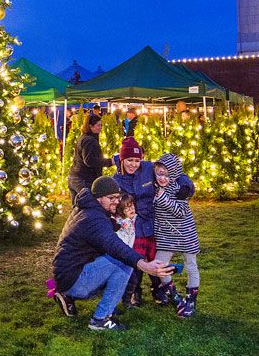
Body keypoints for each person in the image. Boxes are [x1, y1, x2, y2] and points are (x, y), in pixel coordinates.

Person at [51, 176, 174, 331]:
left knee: (118, 261)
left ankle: (68, 296)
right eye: (111, 198)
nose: (117, 201)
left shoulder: (86, 207)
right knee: (124, 262)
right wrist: (143, 264)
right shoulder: (93, 218)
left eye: (117, 196)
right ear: (98, 197)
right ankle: (100, 319)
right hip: (74, 279)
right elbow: (113, 245)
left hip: (67, 275)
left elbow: (105, 231)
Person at [112, 136, 194, 306]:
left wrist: (186, 185)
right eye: (129, 160)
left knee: (156, 257)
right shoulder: (116, 180)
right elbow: (110, 202)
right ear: (122, 159)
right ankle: (134, 291)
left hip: (154, 223)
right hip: (132, 228)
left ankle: (159, 289)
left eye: (136, 160)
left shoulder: (149, 168)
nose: (133, 164)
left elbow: (175, 171)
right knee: (136, 259)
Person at [153, 154, 201, 318]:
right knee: (160, 266)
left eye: (167, 174)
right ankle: (175, 297)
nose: (163, 178)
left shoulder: (181, 189)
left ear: (174, 174)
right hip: (166, 235)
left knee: (191, 265)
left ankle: (191, 301)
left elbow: (181, 211)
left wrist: (162, 198)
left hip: (185, 233)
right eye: (159, 173)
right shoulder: (154, 187)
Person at [68, 114, 113, 204]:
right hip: (83, 178)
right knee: (88, 204)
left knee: (77, 207)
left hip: (75, 176)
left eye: (101, 125)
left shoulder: (84, 138)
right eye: (98, 125)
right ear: (90, 126)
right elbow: (89, 160)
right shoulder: (89, 140)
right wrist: (109, 162)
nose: (100, 128)